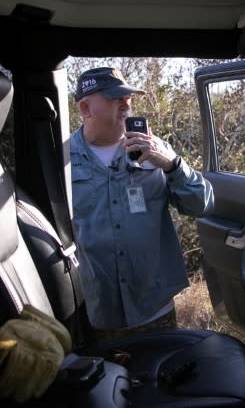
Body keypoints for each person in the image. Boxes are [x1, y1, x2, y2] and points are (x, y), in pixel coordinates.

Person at [69, 66, 214, 340]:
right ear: (86, 108)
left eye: (127, 97)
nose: (126, 104)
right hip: (96, 314)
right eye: (114, 98)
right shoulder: (63, 160)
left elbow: (201, 204)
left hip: (154, 309)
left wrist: (171, 166)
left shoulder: (155, 149)